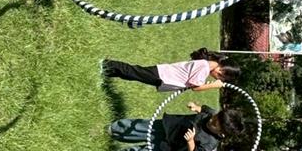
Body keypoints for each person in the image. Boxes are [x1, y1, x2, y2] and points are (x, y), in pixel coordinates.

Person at [105, 101, 243, 151]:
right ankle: (114, 130)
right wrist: (196, 107)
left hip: (170, 146)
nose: (212, 120)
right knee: (141, 127)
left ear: (222, 132)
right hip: (170, 126)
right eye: (215, 117)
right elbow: (205, 109)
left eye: (215, 124)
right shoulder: (212, 114)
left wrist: (190, 142)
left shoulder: (211, 142)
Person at [102, 49, 240, 93]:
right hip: (162, 76)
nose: (218, 76)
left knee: (133, 75)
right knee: (132, 71)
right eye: (221, 73)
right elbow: (195, 87)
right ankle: (105, 64)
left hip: (163, 76)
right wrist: (213, 85)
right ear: (221, 64)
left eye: (222, 78)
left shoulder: (205, 66)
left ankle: (107, 72)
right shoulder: (205, 67)